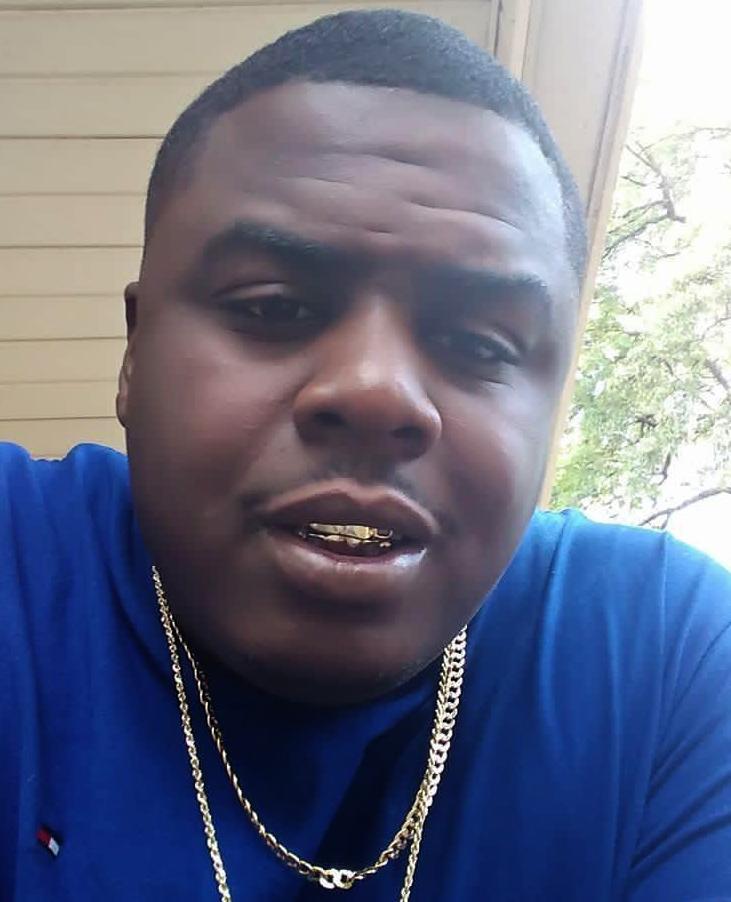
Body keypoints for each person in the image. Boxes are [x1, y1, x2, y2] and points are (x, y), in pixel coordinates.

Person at [1, 9, 730, 901]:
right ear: (133, 354)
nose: (379, 394)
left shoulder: (663, 659)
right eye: (272, 307)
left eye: (480, 344)